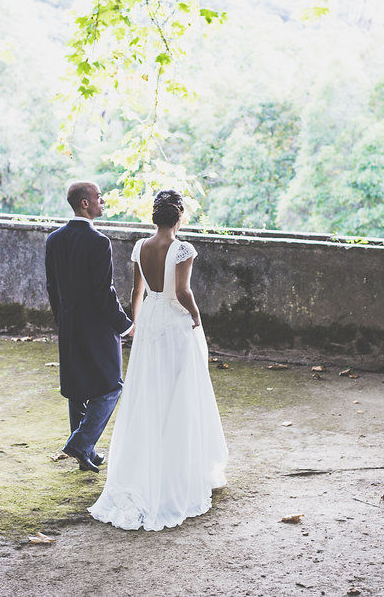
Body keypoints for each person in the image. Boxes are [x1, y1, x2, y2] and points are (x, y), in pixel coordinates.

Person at [89, 189, 228, 530]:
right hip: (174, 323)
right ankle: (180, 470)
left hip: (151, 321)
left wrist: (137, 324)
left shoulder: (140, 247)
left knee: (150, 391)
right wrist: (196, 317)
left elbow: (136, 293)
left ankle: (149, 465)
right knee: (180, 392)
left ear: (155, 217)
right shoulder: (183, 249)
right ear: (179, 217)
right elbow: (182, 292)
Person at [45, 181, 134, 473]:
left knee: (78, 388)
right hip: (97, 329)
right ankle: (81, 443)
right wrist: (124, 326)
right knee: (110, 387)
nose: (103, 201)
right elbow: (103, 293)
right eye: (99, 197)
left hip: (69, 324)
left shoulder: (53, 240)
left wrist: (63, 321)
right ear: (85, 203)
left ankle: (86, 452)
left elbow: (52, 288)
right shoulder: (99, 242)